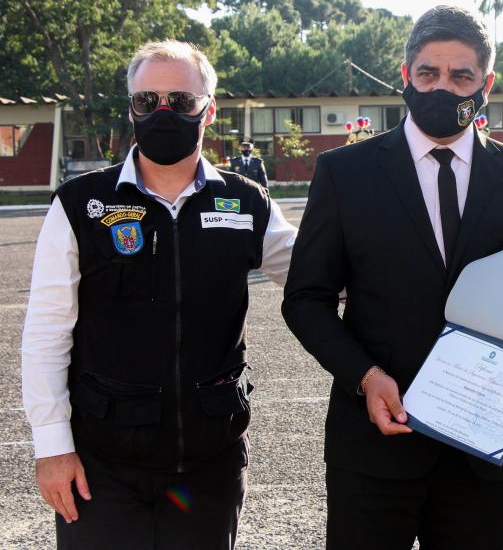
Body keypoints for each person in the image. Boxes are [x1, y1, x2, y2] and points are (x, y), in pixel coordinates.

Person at [280, 6, 503, 549]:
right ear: (405, 76)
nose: (442, 88)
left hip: (484, 454)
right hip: (374, 447)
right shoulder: (345, 173)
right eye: (428, 74)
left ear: (486, 85)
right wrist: (365, 376)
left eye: (461, 77)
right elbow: (305, 299)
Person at [20, 40, 298, 549]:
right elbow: (45, 332)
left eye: (182, 102)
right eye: (148, 101)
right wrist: (52, 448)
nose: (163, 112)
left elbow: (315, 277)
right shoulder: (81, 205)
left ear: (208, 111)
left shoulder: (245, 203)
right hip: (101, 466)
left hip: (207, 465)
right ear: (131, 108)